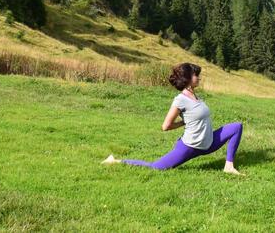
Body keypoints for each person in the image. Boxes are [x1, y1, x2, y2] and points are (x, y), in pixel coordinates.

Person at [101, 62, 244, 175]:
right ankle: (115, 161)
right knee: (156, 167)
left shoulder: (196, 96)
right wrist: (182, 123)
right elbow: (166, 126)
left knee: (236, 127)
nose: (199, 78)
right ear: (188, 78)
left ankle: (229, 166)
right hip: (190, 147)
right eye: (196, 75)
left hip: (209, 143)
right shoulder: (180, 100)